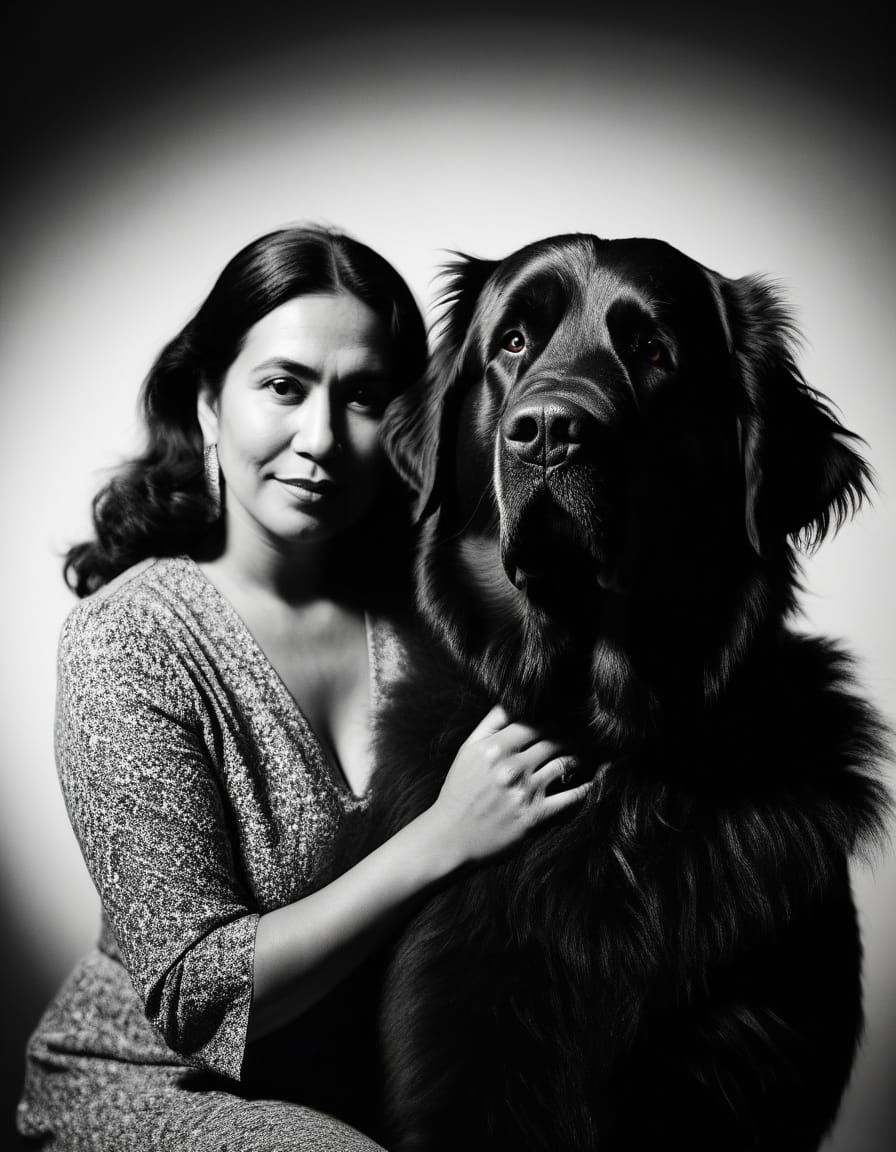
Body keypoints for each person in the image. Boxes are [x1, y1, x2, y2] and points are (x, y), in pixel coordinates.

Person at [17, 224, 590, 1151]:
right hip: (163, 1089)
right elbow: (201, 999)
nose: (320, 438)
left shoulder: (428, 618)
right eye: (283, 387)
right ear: (208, 402)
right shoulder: (130, 638)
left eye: (363, 397)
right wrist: (446, 834)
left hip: (371, 1081)